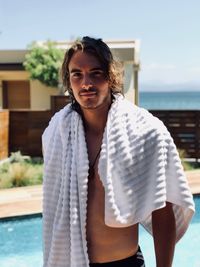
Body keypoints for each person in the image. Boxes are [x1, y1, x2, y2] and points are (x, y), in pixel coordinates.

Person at [42, 36, 195, 267]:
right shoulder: (57, 134)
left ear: (110, 77)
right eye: (77, 74)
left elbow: (163, 211)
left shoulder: (145, 132)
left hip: (125, 263)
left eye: (96, 73)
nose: (86, 83)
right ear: (69, 80)